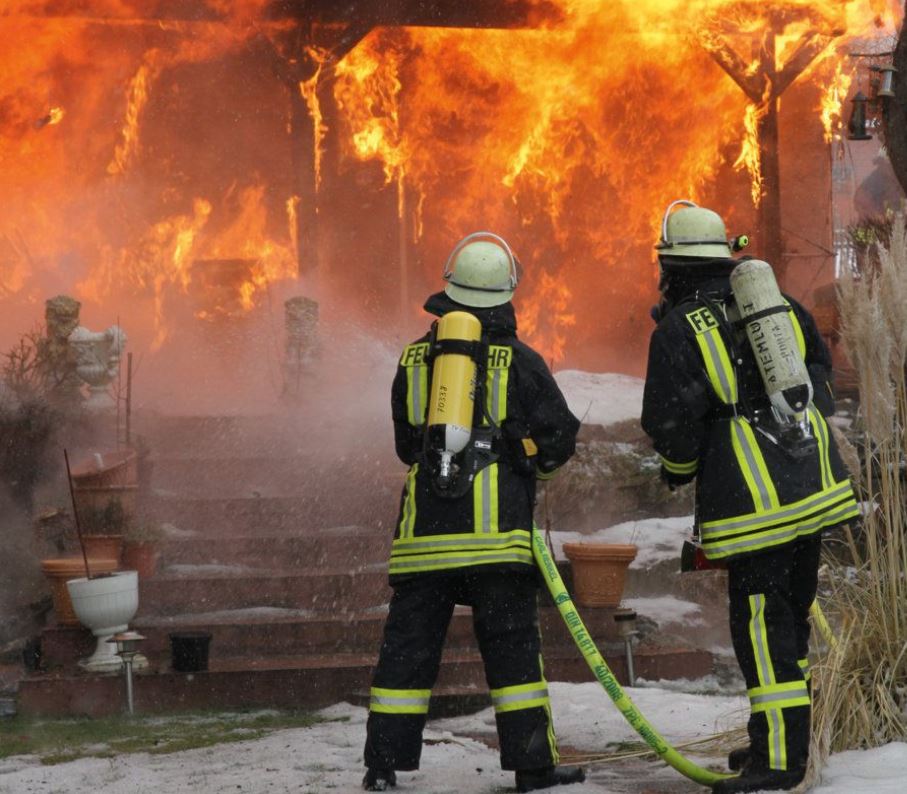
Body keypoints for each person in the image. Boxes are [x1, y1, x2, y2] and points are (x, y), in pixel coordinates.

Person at [640, 201, 861, 794]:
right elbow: (821, 384)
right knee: (790, 624)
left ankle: (780, 763)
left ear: (672, 267)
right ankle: (777, 738)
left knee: (763, 630)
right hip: (814, 489)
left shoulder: (678, 330)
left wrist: (680, 469)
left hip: (755, 508)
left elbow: (670, 425)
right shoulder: (779, 305)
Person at [362, 232, 585, 793]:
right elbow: (559, 438)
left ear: (449, 288)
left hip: (424, 542)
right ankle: (532, 768)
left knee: (406, 654)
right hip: (497, 543)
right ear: (506, 293)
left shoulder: (414, 358)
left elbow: (407, 447)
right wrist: (524, 459)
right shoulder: (521, 361)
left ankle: (383, 766)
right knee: (513, 658)